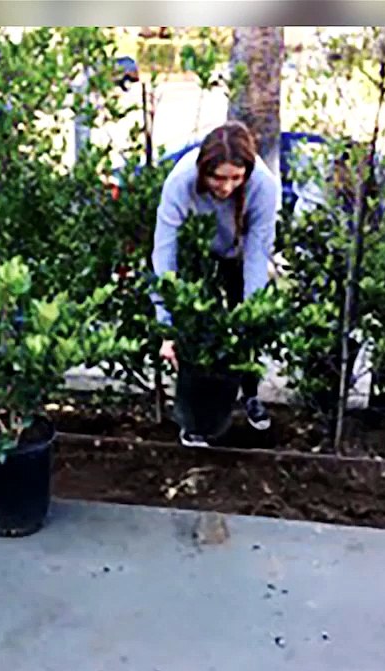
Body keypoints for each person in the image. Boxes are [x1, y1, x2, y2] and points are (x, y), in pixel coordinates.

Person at [150, 120, 280, 447]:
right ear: (203, 170)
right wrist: (166, 327)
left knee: (245, 328)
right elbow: (165, 254)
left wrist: (248, 317)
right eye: (218, 177)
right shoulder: (181, 182)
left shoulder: (263, 185)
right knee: (196, 334)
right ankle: (195, 420)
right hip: (199, 251)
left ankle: (249, 395)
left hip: (238, 254)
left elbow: (256, 255)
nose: (226, 187)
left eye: (236, 178)